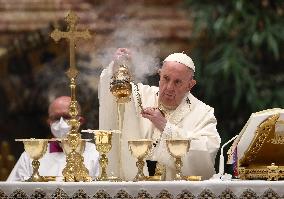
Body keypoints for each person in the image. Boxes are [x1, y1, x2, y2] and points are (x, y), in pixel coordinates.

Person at [99, 48, 221, 181]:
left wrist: (165, 126)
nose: (169, 87)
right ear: (160, 75)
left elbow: (205, 155)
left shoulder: (203, 113)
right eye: (166, 78)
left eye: (177, 82)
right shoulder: (141, 96)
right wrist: (118, 66)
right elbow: (111, 91)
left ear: (190, 85)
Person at [7, 96, 99, 181]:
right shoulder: (31, 154)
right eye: (56, 118)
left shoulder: (95, 153)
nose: (61, 123)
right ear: (49, 122)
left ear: (80, 121)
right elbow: (12, 190)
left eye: (67, 117)